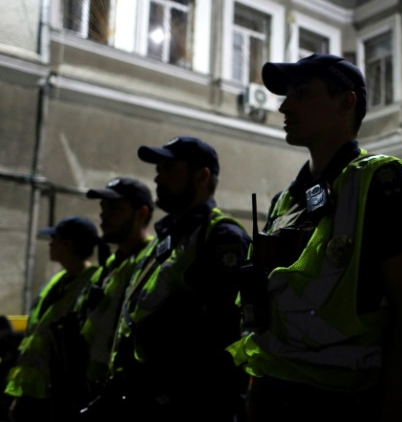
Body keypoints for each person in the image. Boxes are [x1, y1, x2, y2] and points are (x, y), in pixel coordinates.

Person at [226, 53, 402, 422]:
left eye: (303, 93)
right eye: (286, 95)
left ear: (346, 102)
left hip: (350, 403)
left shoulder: (385, 183)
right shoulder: (285, 202)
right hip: (276, 396)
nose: (284, 105)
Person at [84, 137, 252, 422]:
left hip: (188, 406)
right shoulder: (167, 240)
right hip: (143, 398)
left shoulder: (220, 237)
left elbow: (228, 335)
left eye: (170, 169)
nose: (158, 177)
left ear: (202, 176)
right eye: (158, 169)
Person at [4, 216, 100, 422]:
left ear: (68, 244)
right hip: (33, 391)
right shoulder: (58, 279)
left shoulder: (94, 281)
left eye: (54, 238)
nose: (50, 243)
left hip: (60, 394)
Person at [72, 177, 156, 406]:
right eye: (103, 207)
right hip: (90, 388)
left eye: (115, 208)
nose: (103, 215)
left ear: (141, 213)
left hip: (124, 394)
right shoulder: (110, 264)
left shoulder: (153, 262)